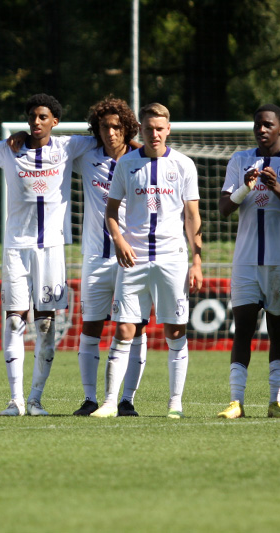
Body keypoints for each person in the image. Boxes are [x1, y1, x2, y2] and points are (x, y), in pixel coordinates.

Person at [0, 93, 98, 416]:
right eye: (32, 117)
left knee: (45, 325)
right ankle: (14, 400)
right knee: (15, 321)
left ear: (54, 122)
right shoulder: (8, 148)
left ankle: (35, 399)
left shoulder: (70, 146)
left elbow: (108, 136)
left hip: (52, 248)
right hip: (16, 247)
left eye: (43, 117)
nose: (36, 122)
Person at [91, 103, 203, 419]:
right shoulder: (126, 164)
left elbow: (193, 217)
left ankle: (175, 404)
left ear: (168, 130)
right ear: (140, 129)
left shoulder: (184, 165)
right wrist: (119, 241)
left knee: (175, 331)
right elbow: (111, 213)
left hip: (172, 259)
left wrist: (197, 261)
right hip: (133, 259)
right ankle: (110, 403)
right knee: (125, 330)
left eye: (159, 128)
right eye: (149, 128)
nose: (154, 134)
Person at [217, 104, 280, 419]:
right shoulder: (240, 160)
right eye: (257, 125)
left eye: (268, 124)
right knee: (242, 328)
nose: (261, 129)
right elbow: (224, 208)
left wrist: (278, 188)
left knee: (278, 330)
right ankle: (236, 402)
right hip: (245, 261)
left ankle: (275, 402)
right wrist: (246, 187)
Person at [71, 98, 147, 417]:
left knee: (135, 328)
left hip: (133, 259)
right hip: (94, 258)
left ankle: (126, 400)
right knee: (90, 328)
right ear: (97, 130)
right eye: (105, 126)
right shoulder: (87, 156)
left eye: (117, 127)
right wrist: (20, 137)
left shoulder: (140, 159)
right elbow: (51, 142)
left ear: (127, 128)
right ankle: (90, 399)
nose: (111, 132)